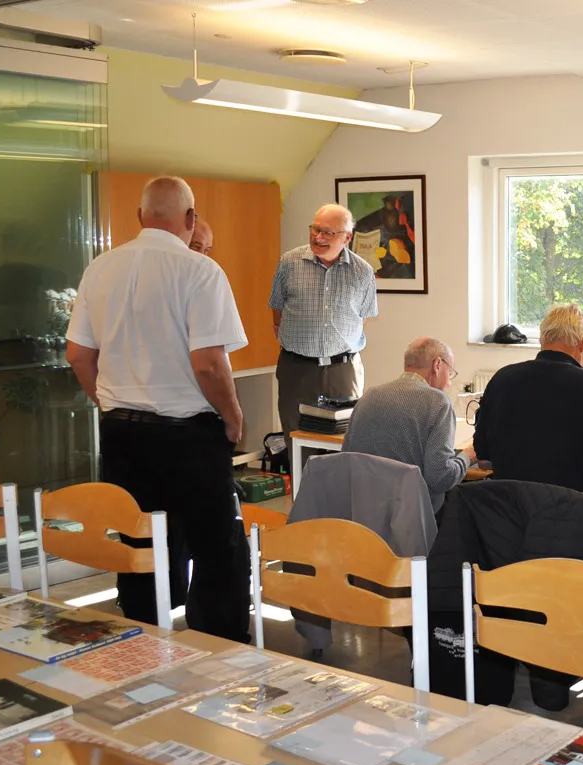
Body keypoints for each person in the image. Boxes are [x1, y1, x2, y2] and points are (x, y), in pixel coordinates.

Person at [66, 176, 250, 641]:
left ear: (140, 216)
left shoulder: (100, 268)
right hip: (189, 435)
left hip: (121, 434)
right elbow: (208, 364)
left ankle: (142, 643)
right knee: (215, 547)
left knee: (139, 542)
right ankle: (220, 651)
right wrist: (233, 418)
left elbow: (78, 356)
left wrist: (109, 402)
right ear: (190, 218)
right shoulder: (199, 271)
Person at [473, 303, 583, 496]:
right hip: (571, 509)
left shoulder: (502, 380)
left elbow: (484, 461)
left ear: (543, 340)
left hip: (509, 508)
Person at [269, 203, 377, 450]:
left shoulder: (362, 272)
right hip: (297, 369)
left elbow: (363, 318)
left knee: (344, 443)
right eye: (315, 229)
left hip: (343, 371)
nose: (318, 237)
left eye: (328, 232)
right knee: (297, 442)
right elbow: (277, 309)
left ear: (347, 237)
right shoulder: (289, 262)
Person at [341, 337, 476, 513]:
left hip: (361, 512)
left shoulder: (369, 396)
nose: (449, 382)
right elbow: (441, 478)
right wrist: (468, 456)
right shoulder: (437, 402)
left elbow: (345, 459)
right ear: (437, 365)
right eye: (450, 372)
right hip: (412, 517)